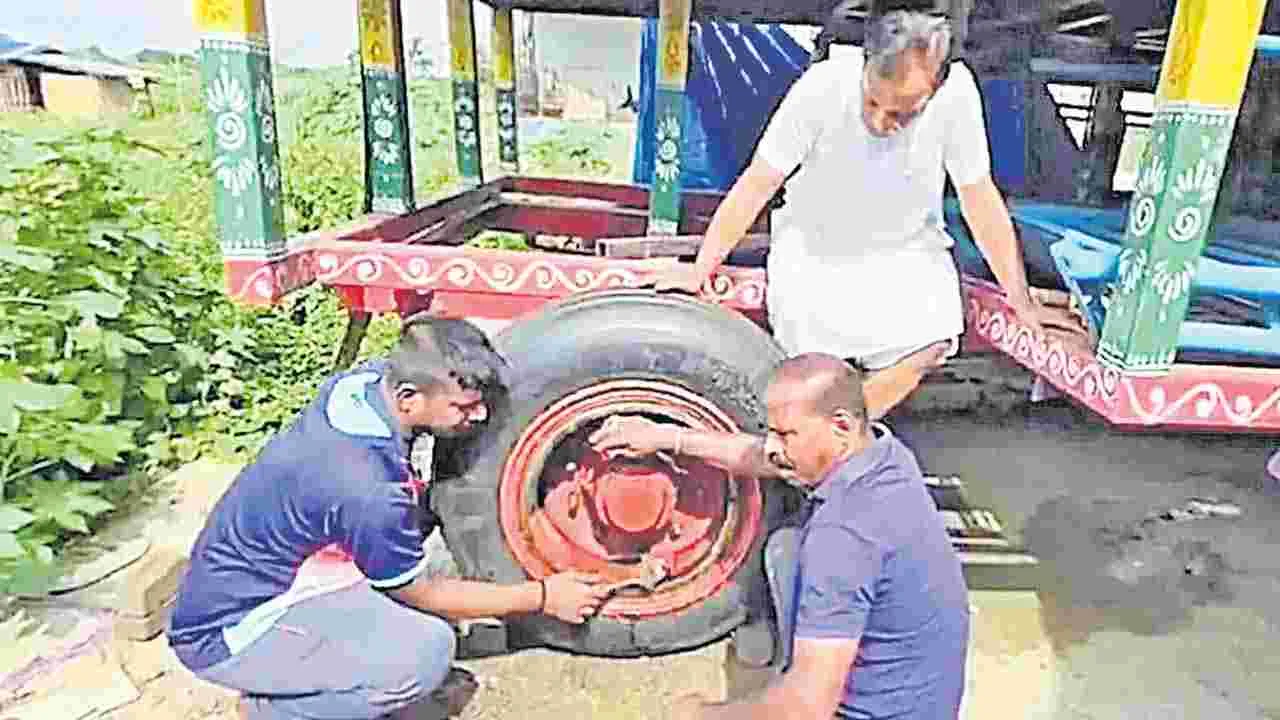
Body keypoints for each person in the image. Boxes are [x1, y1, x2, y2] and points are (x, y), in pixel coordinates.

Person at [646, 7, 1085, 418]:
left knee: (931, 340)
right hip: (814, 248)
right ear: (865, 63)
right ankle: (831, 437)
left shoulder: (957, 95)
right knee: (817, 368)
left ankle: (837, 439)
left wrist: (1021, 299)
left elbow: (979, 199)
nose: (879, 122)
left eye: (901, 113)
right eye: (872, 102)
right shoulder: (823, 86)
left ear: (936, 88)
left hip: (908, 249)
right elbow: (758, 181)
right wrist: (700, 268)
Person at [167, 315, 610, 720]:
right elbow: (420, 592)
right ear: (409, 398)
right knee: (424, 654)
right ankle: (274, 709)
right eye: (462, 407)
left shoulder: (364, 385)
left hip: (268, 576)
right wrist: (542, 596)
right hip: (230, 632)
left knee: (429, 600)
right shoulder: (366, 487)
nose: (478, 415)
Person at [589, 353, 971, 720]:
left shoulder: (843, 538)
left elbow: (806, 710)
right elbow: (762, 456)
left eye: (786, 434)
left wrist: (700, 715)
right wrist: (667, 437)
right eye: (771, 432)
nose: (772, 446)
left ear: (841, 426)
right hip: (920, 703)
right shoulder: (884, 457)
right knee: (786, 547)